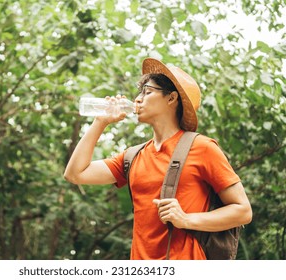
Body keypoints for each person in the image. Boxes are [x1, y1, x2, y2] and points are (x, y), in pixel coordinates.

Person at [64, 58, 252, 260]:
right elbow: (75, 173)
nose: (137, 99)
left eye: (147, 92)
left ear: (171, 98)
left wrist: (187, 219)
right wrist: (100, 122)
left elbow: (242, 211)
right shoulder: (133, 156)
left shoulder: (202, 147)